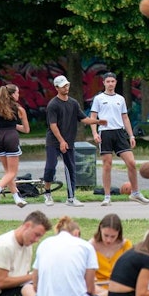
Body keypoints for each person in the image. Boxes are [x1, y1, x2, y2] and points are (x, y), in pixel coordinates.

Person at [43, 75, 105, 207]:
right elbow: (53, 125)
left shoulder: (73, 103)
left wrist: (98, 121)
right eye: (63, 86)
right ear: (56, 88)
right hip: (54, 142)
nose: (66, 88)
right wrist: (61, 141)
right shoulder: (53, 105)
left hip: (68, 141)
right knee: (50, 168)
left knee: (71, 169)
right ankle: (47, 193)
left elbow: (84, 119)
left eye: (67, 85)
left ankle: (71, 198)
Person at [90, 72, 149, 206]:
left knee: (131, 163)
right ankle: (106, 196)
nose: (110, 83)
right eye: (108, 81)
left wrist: (131, 135)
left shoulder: (120, 99)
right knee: (107, 165)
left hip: (119, 133)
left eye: (112, 81)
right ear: (104, 83)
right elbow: (93, 118)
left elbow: (125, 118)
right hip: (105, 133)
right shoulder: (99, 98)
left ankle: (135, 193)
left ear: (116, 82)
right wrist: (95, 133)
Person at [32, 216, 100, 296]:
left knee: (26, 289)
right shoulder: (86, 246)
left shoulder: (44, 244)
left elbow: (35, 285)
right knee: (105, 294)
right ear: (76, 233)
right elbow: (90, 289)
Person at [0, 210, 51, 296]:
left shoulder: (27, 245)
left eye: (40, 237)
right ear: (27, 226)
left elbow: (23, 275)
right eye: (36, 235)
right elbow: (2, 282)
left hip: (18, 288)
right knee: (33, 290)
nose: (37, 240)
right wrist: (32, 276)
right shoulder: (5, 246)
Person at [0, 83, 31, 208]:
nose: (18, 94)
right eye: (17, 92)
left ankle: (17, 198)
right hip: (11, 138)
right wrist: (14, 125)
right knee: (12, 173)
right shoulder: (20, 109)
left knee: (7, 172)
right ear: (11, 94)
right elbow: (26, 129)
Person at [90, 213, 132, 296]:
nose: (109, 240)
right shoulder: (90, 246)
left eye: (113, 236)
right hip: (98, 287)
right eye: (106, 235)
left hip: (120, 285)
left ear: (119, 233)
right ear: (100, 229)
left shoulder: (125, 245)